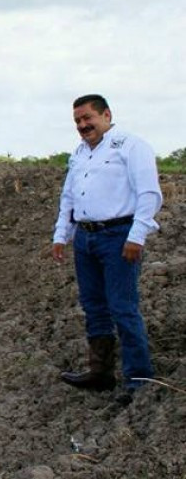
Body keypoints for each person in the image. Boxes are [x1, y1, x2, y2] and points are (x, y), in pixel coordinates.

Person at [51, 94, 163, 405]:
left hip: (119, 236)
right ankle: (100, 372)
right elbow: (69, 198)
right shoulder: (79, 153)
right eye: (77, 121)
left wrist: (137, 235)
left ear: (106, 115)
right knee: (94, 306)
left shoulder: (130, 146)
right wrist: (62, 235)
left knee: (122, 308)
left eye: (88, 118)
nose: (83, 125)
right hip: (86, 238)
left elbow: (149, 194)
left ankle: (138, 379)